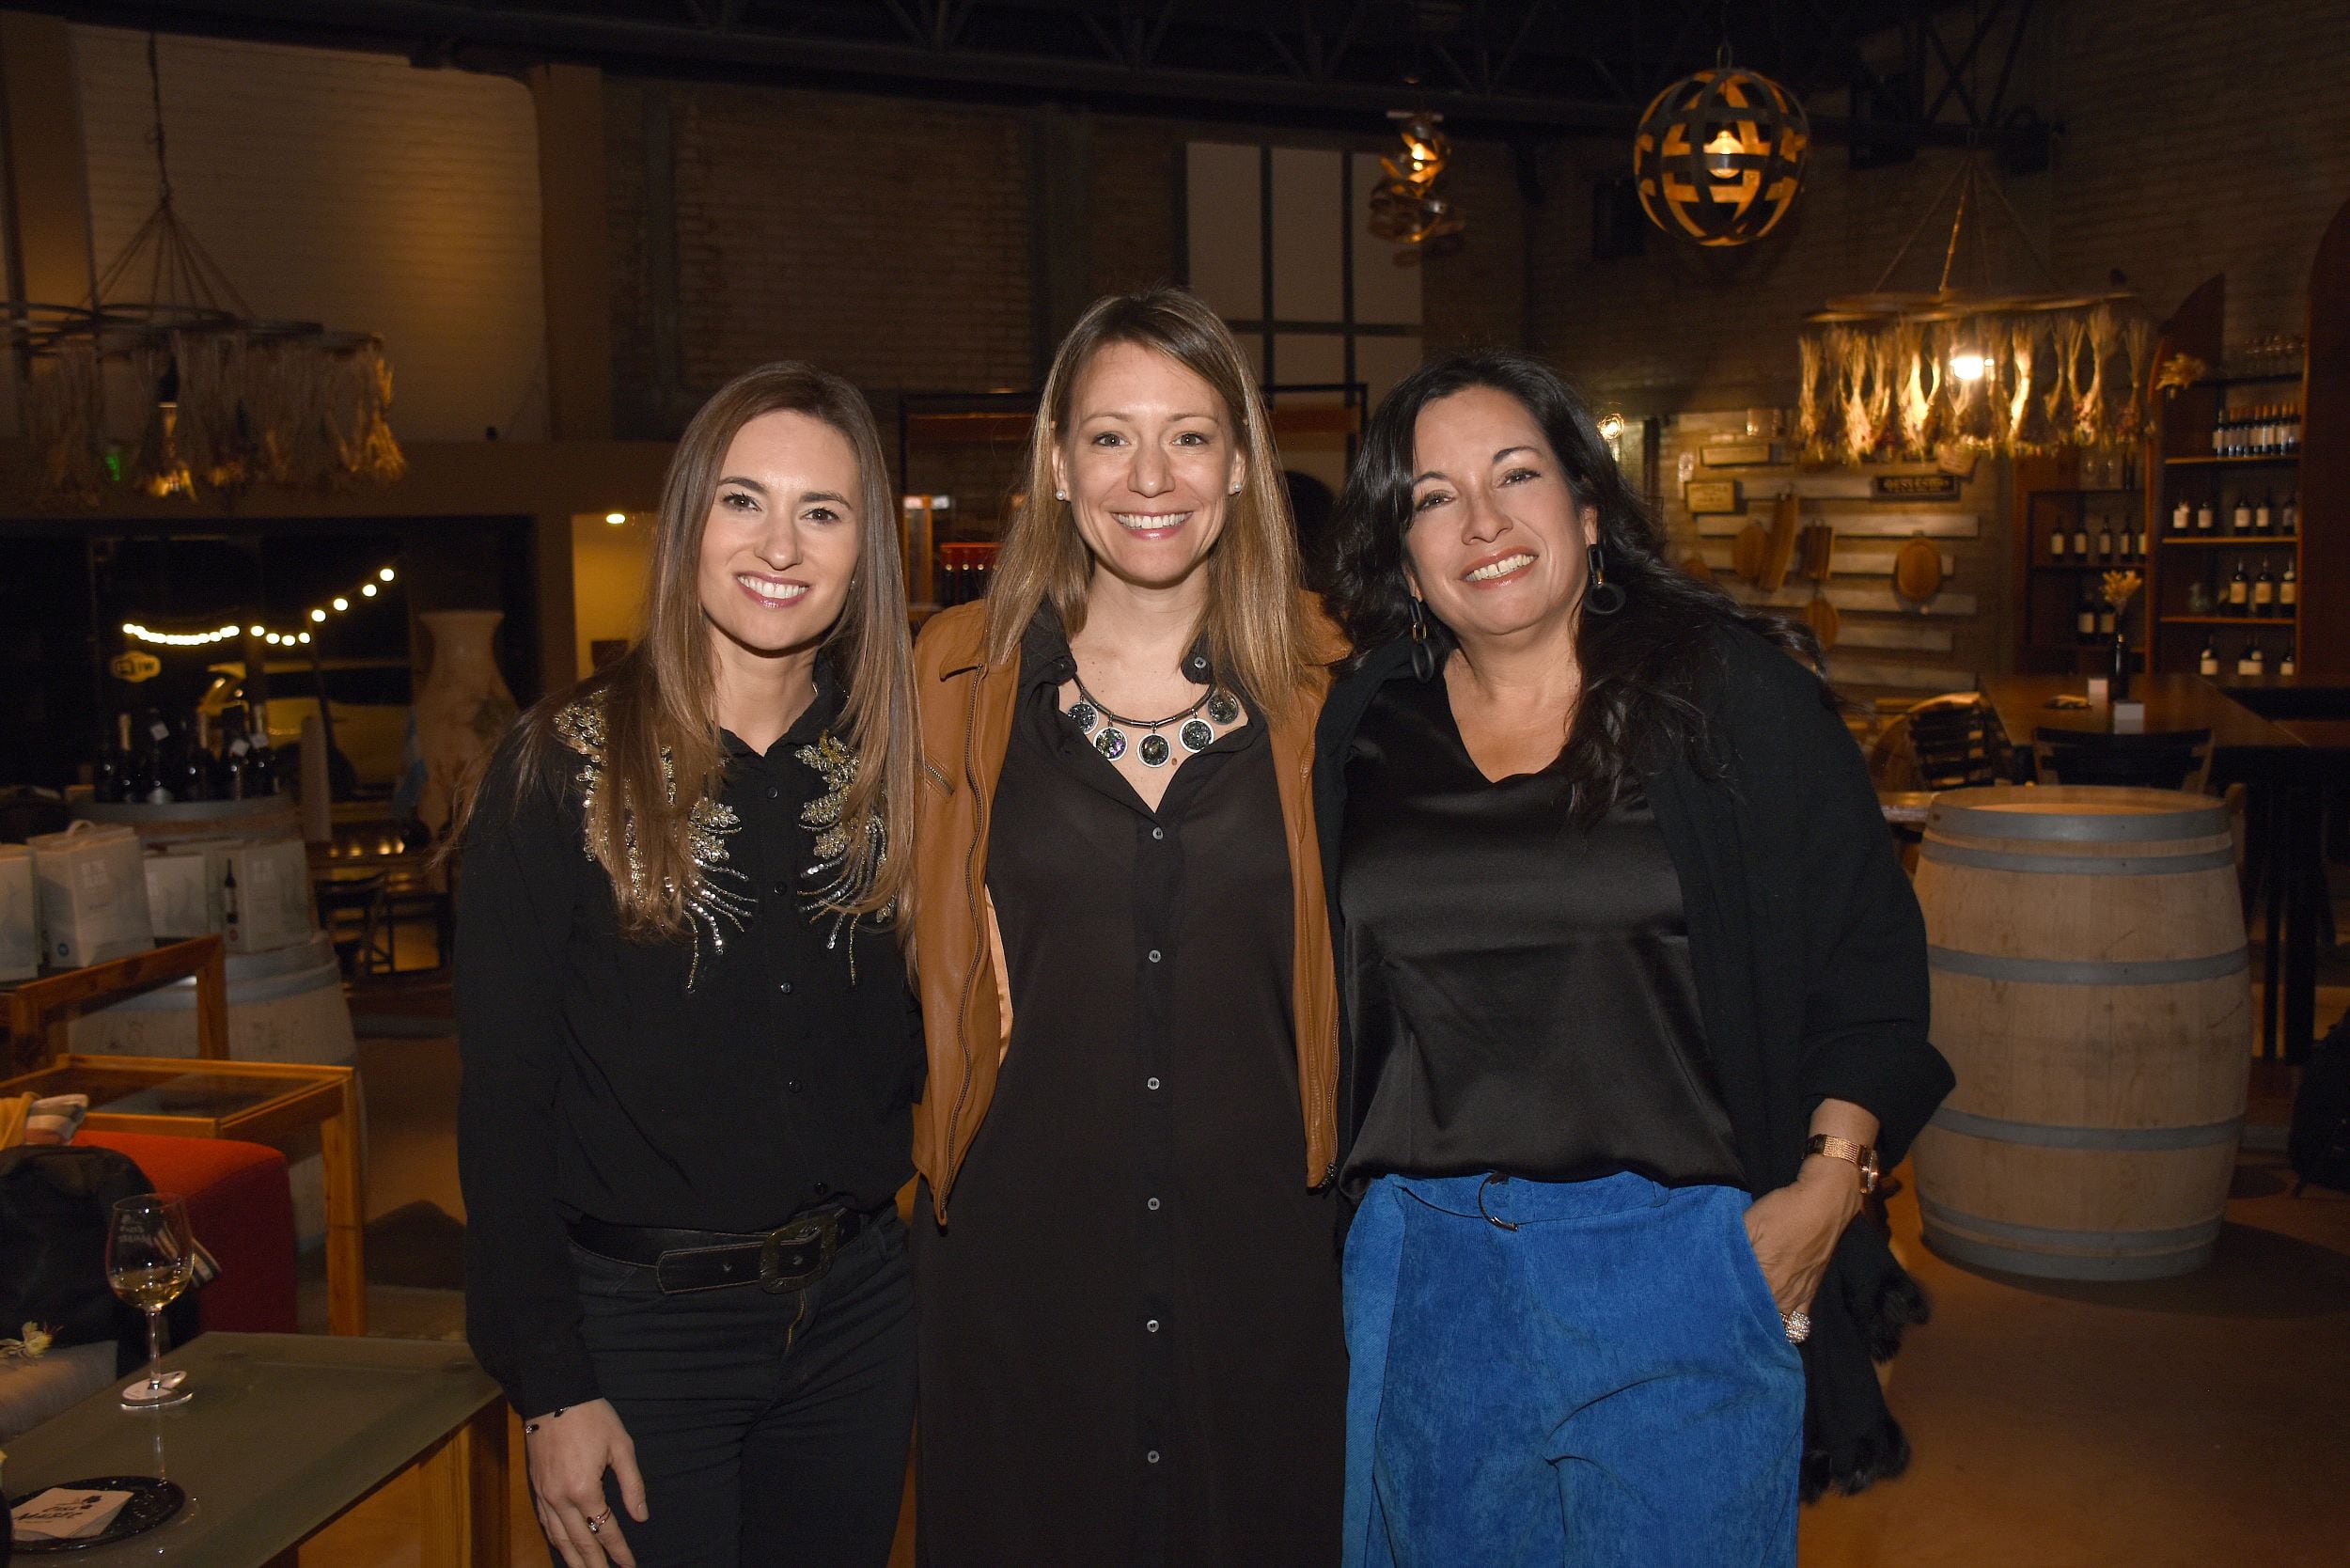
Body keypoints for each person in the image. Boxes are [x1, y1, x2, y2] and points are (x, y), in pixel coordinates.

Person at [1313, 351, 1955, 1567]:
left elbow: (1870, 960)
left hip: (1681, 1264)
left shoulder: (1729, 699)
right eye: (1433, 495)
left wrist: (1828, 1190)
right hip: (1426, 1270)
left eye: (1517, 475)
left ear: (1589, 508)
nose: (1484, 521)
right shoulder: (1360, 721)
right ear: (1400, 552)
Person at [905, 286, 1348, 1565]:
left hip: (1265, 1274)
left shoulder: (1340, 688)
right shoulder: (946, 683)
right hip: (1016, 1277)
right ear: (1056, 462)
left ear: (1243, 463)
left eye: (1190, 435)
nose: (1149, 475)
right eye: (1110, 436)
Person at [455, 362, 924, 1568]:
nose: (780, 543)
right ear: (686, 526)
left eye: (821, 512)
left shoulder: (907, 767)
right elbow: (504, 1105)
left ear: (863, 547)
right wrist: (551, 1390)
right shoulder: (558, 765)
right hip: (639, 1341)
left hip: (859, 1319)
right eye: (741, 501)